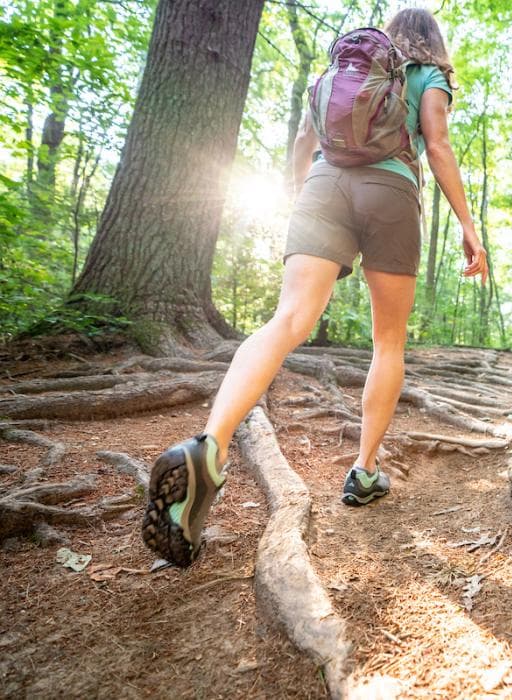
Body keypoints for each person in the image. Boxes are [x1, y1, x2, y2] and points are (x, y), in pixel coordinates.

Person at [141, 8, 488, 567]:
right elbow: (439, 146)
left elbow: (305, 140)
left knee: (287, 320)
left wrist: (304, 195)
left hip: (323, 186)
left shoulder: (337, 76)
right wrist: (470, 227)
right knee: (388, 342)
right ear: (434, 41)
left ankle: (209, 445)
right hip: (392, 192)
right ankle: (365, 471)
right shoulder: (427, 76)